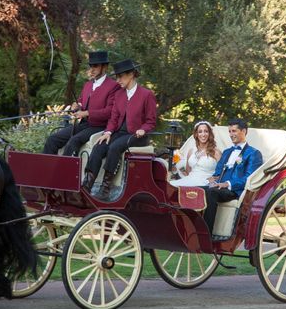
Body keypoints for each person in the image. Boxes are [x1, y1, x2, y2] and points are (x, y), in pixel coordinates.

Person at [83, 59, 157, 200]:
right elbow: (113, 118)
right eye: (117, 77)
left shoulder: (146, 94)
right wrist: (108, 132)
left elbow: (151, 121)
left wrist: (143, 129)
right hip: (118, 133)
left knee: (115, 147)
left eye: (120, 76)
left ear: (131, 75)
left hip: (137, 136)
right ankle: (87, 185)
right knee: (99, 146)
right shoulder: (119, 95)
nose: (118, 80)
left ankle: (105, 188)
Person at [42, 51, 120, 156]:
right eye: (91, 66)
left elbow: (110, 111)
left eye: (95, 66)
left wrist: (87, 113)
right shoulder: (87, 85)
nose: (92, 69)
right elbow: (81, 101)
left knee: (73, 142)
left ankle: (64, 171)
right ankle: (47, 169)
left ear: (105, 67)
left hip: (99, 126)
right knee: (53, 139)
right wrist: (77, 105)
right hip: (83, 124)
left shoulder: (113, 86)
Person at [201, 118, 263, 235]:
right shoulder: (226, 152)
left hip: (234, 190)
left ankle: (206, 233)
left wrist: (227, 184)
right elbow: (217, 173)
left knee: (211, 193)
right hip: (219, 187)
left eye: (234, 131)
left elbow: (249, 179)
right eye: (229, 132)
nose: (231, 134)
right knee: (197, 190)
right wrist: (212, 180)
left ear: (244, 131)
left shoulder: (253, 153)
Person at [171, 121, 222, 187]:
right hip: (190, 180)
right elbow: (188, 173)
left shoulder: (216, 152)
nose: (203, 134)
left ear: (210, 134)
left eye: (206, 131)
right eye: (200, 132)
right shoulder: (191, 151)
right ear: (196, 134)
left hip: (205, 183)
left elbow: (222, 174)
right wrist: (178, 168)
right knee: (170, 185)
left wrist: (212, 180)